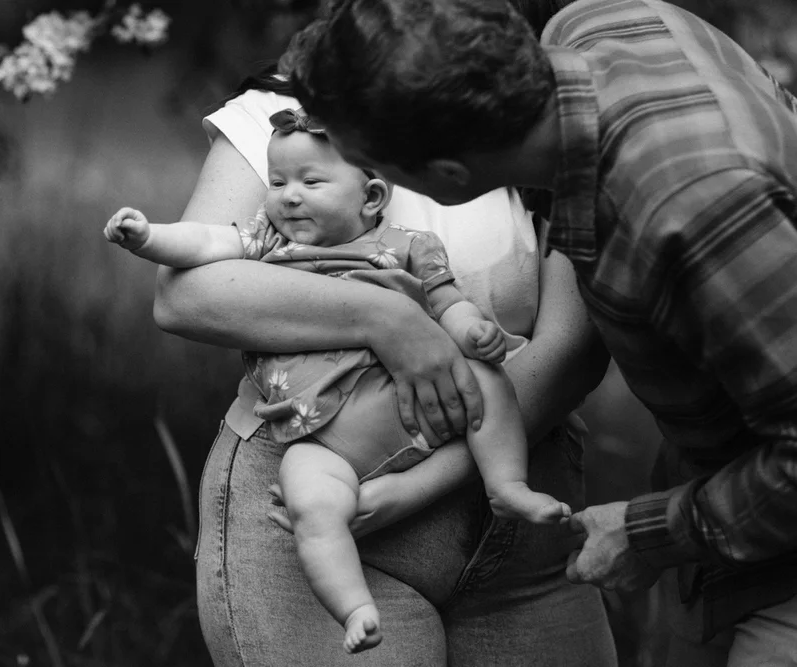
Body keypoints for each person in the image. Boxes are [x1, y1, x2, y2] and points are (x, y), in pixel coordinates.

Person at [286, 0, 797, 664]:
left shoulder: (690, 209)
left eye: (372, 168)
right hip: (730, 509)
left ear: (448, 177)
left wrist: (648, 533)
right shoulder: (594, 24)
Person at [151, 58, 614, 664]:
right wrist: (387, 318)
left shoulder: (551, 125)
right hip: (317, 464)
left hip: (523, 516)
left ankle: (508, 487)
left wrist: (416, 487)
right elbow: (187, 292)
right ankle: (353, 605)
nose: (290, 195)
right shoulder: (289, 120)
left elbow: (570, 351)